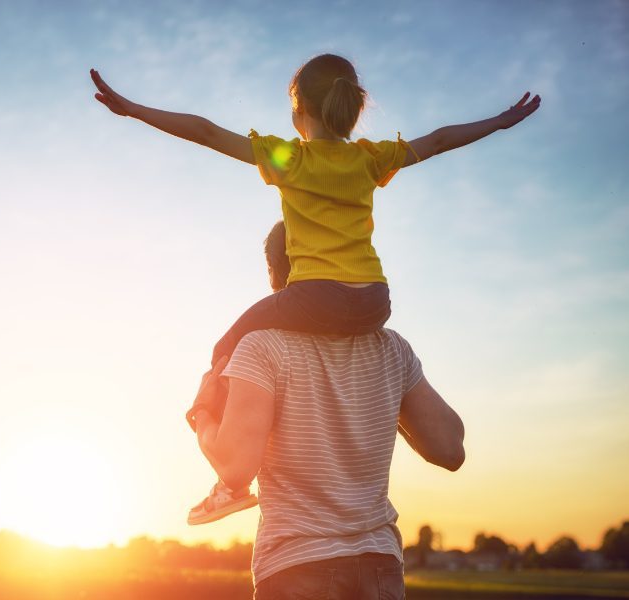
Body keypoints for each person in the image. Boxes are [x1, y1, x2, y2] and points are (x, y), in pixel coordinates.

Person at [90, 54, 538, 522]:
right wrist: (501, 122)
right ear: (349, 107)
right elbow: (442, 139)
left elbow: (205, 131)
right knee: (296, 336)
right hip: (373, 301)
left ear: (298, 108)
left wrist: (136, 110)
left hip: (315, 296)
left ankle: (230, 484)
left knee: (227, 346)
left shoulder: (290, 157)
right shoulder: (371, 157)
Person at [192, 220, 465, 599]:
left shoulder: (261, 348)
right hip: (380, 566)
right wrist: (386, 396)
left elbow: (236, 470)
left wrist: (201, 413)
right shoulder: (391, 349)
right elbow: (450, 448)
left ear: (275, 274)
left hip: (297, 567)